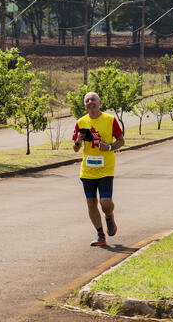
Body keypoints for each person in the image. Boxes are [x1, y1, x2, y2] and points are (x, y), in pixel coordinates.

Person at [72, 92, 125, 246]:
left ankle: (109, 216)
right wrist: (78, 141)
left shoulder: (110, 120)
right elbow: (75, 149)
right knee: (91, 203)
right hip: (87, 170)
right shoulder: (81, 122)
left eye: (93, 99)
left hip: (105, 169)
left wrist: (109, 147)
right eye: (87, 100)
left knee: (106, 202)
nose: (90, 102)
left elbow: (121, 141)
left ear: (99, 102)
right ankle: (100, 235)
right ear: (85, 105)